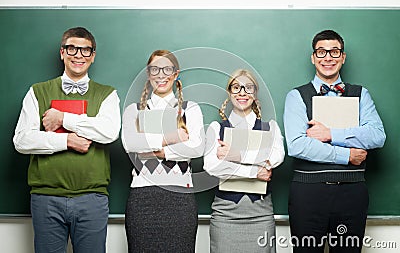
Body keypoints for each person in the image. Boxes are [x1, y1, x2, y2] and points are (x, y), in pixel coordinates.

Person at [13, 27, 121, 253]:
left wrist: (63, 118)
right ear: (62, 52)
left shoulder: (107, 94)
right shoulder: (37, 91)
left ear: (93, 56)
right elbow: (22, 140)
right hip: (46, 198)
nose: (78, 55)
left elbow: (109, 132)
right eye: (72, 48)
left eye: (85, 50)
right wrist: (67, 141)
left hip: (92, 198)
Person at [284, 29, 386, 252]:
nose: (327, 57)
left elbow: (377, 135)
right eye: (321, 52)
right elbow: (297, 144)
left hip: (352, 194)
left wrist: (331, 134)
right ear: (313, 58)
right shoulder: (296, 96)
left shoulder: (361, 94)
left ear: (343, 57)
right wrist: (347, 154)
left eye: (334, 51)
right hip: (308, 195)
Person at [121, 49, 205, 252]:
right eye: (155, 69)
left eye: (167, 69)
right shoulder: (134, 110)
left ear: (176, 74)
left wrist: (161, 152)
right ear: (148, 74)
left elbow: (197, 146)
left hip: (180, 199)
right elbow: (130, 143)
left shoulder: (190, 109)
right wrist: (174, 137)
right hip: (142, 198)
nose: (161, 75)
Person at [204, 69, 285, 253]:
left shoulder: (269, 127)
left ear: (255, 94)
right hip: (225, 214)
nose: (242, 92)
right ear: (229, 92)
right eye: (236, 87)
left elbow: (276, 157)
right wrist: (254, 171)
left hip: (261, 214)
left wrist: (236, 155)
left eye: (248, 88)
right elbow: (212, 166)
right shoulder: (217, 128)